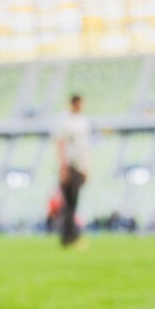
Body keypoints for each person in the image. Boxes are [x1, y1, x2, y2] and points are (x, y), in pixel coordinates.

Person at [54, 94, 91, 248]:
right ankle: (68, 236)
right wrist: (63, 167)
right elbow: (61, 143)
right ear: (73, 104)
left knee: (73, 204)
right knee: (68, 204)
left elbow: (84, 148)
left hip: (78, 166)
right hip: (69, 166)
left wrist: (87, 168)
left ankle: (70, 236)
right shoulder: (65, 121)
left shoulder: (83, 121)